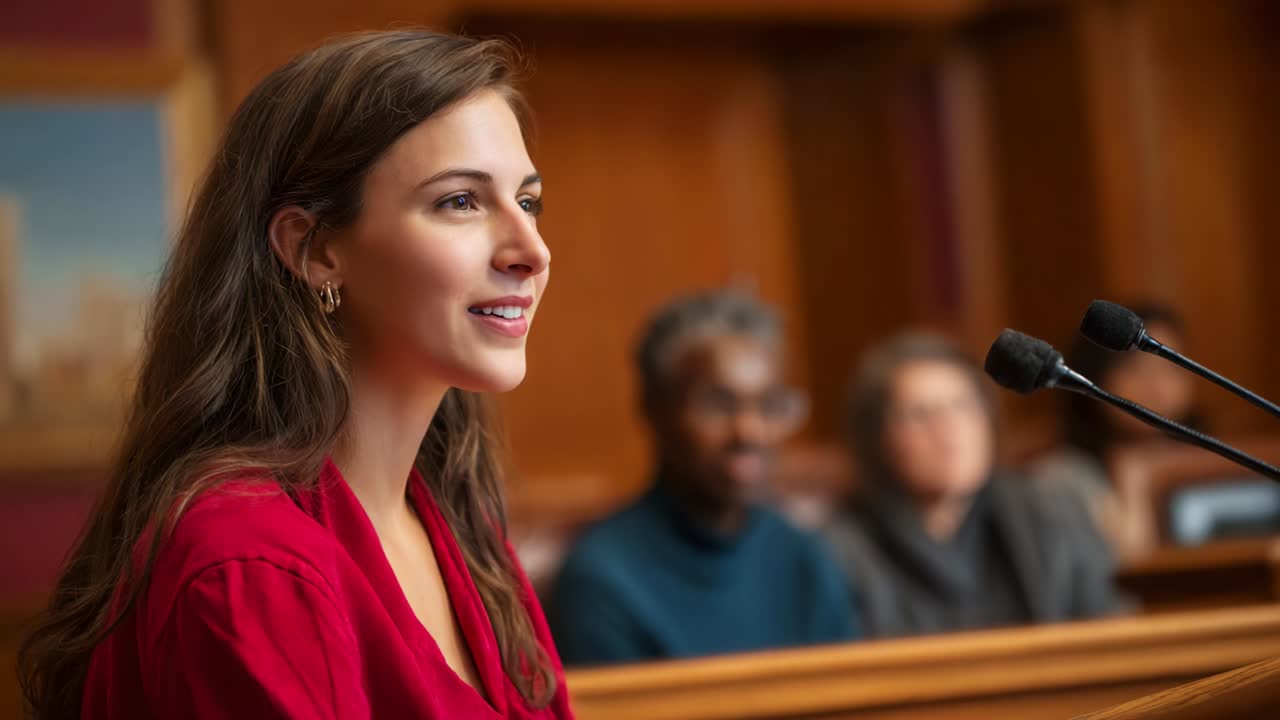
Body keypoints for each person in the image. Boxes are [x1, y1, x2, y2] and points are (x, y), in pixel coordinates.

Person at [18, 31, 573, 719]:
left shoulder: (462, 528)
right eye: (459, 201)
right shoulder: (247, 564)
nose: (531, 250)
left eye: (527, 201)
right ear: (313, 251)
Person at [547, 291, 859, 666]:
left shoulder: (805, 558)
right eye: (717, 404)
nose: (749, 432)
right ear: (653, 409)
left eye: (769, 405)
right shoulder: (602, 578)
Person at [824, 332, 1120, 639]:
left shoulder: (1052, 514)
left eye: (962, 405)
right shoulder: (839, 551)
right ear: (877, 437)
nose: (948, 428)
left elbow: (1108, 637)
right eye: (919, 414)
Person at [1030, 302, 1200, 560]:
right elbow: (1124, 577)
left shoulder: (1205, 460)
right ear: (1094, 377)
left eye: (1170, 368)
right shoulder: (1060, 479)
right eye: (1134, 369)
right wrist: (1132, 490)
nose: (1156, 386)